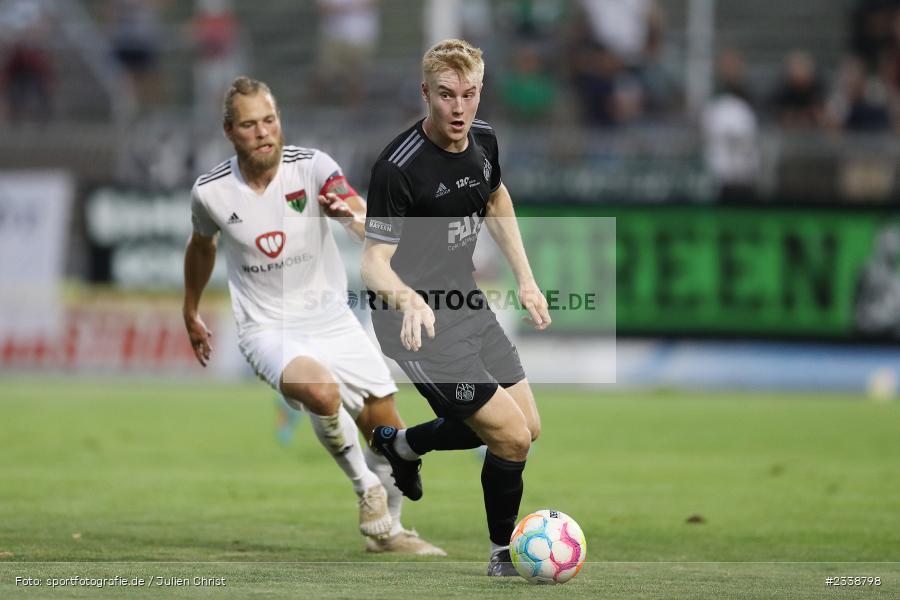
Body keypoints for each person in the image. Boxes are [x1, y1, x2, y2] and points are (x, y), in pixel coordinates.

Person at [182, 76, 444, 556]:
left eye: (269, 120)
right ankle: (366, 490)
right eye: (249, 125)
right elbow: (202, 247)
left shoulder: (314, 167)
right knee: (320, 391)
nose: (263, 132)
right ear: (228, 131)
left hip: (332, 321)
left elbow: (363, 219)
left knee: (388, 430)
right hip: (266, 328)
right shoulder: (211, 192)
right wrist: (190, 308)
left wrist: (352, 216)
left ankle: (388, 535)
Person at [360, 39, 550, 576]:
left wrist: (526, 279)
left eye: (469, 94)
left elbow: (496, 198)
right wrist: (408, 297)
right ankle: (503, 556)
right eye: (446, 95)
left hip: (465, 302)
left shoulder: (485, 140)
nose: (460, 108)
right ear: (426, 93)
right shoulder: (398, 168)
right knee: (509, 437)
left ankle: (403, 446)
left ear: (480, 92)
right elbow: (373, 263)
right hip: (411, 323)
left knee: (527, 427)